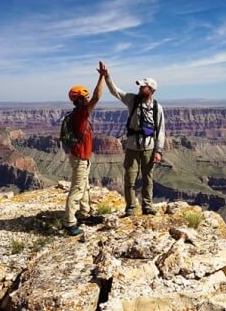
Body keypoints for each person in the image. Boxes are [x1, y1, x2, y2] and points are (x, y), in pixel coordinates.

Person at [104, 66, 166, 216]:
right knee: (130, 179)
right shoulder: (132, 100)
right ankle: (130, 207)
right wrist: (107, 76)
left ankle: (147, 206)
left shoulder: (157, 108)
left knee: (147, 179)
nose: (139, 88)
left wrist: (158, 151)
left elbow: (161, 130)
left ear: (150, 89)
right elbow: (115, 91)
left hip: (149, 148)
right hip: (132, 147)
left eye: (143, 86)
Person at [62, 61, 107, 236]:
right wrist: (102, 77)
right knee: (77, 188)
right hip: (80, 157)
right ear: (79, 100)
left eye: (87, 97)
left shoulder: (77, 114)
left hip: (82, 156)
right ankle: (69, 222)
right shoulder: (81, 114)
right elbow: (97, 97)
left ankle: (85, 214)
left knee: (85, 186)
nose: (88, 99)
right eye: (85, 97)